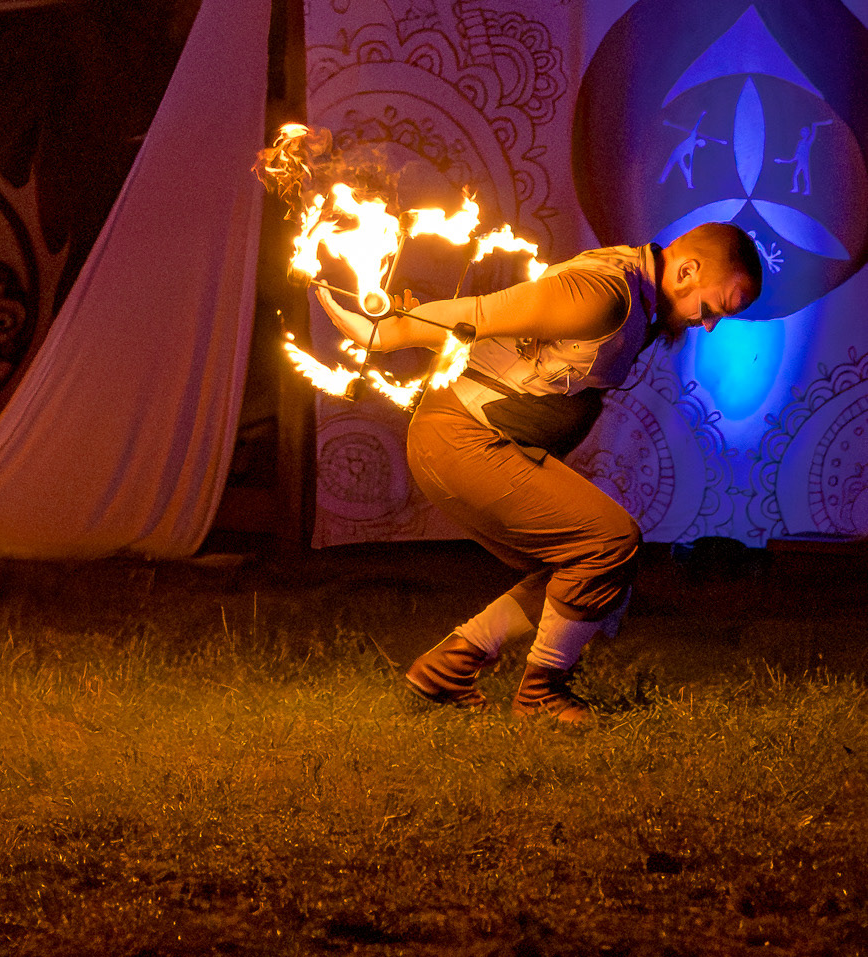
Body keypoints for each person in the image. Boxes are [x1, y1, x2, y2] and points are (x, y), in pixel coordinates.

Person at [319, 223, 761, 727]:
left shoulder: (637, 293)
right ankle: (540, 695)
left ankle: (448, 669)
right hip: (463, 440)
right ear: (687, 272)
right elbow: (478, 315)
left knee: (597, 567)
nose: (710, 325)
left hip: (477, 441)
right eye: (716, 307)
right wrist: (387, 334)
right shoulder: (603, 294)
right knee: (609, 543)